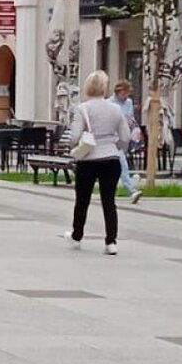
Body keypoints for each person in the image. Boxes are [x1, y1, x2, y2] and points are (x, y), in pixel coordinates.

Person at [64, 70, 132, 255]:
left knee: (82, 200)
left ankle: (77, 235)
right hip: (110, 159)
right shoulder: (115, 109)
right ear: (104, 88)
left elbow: (75, 136)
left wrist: (76, 146)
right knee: (109, 201)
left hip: (88, 160)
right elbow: (126, 137)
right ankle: (111, 242)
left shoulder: (82, 109)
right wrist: (115, 145)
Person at [108, 80, 143, 204]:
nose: (126, 96)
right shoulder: (109, 103)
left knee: (119, 166)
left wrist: (134, 126)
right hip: (111, 139)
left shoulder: (128, 103)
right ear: (118, 92)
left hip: (124, 137)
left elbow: (130, 117)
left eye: (128, 93)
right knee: (122, 164)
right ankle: (132, 190)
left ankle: (126, 187)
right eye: (124, 93)